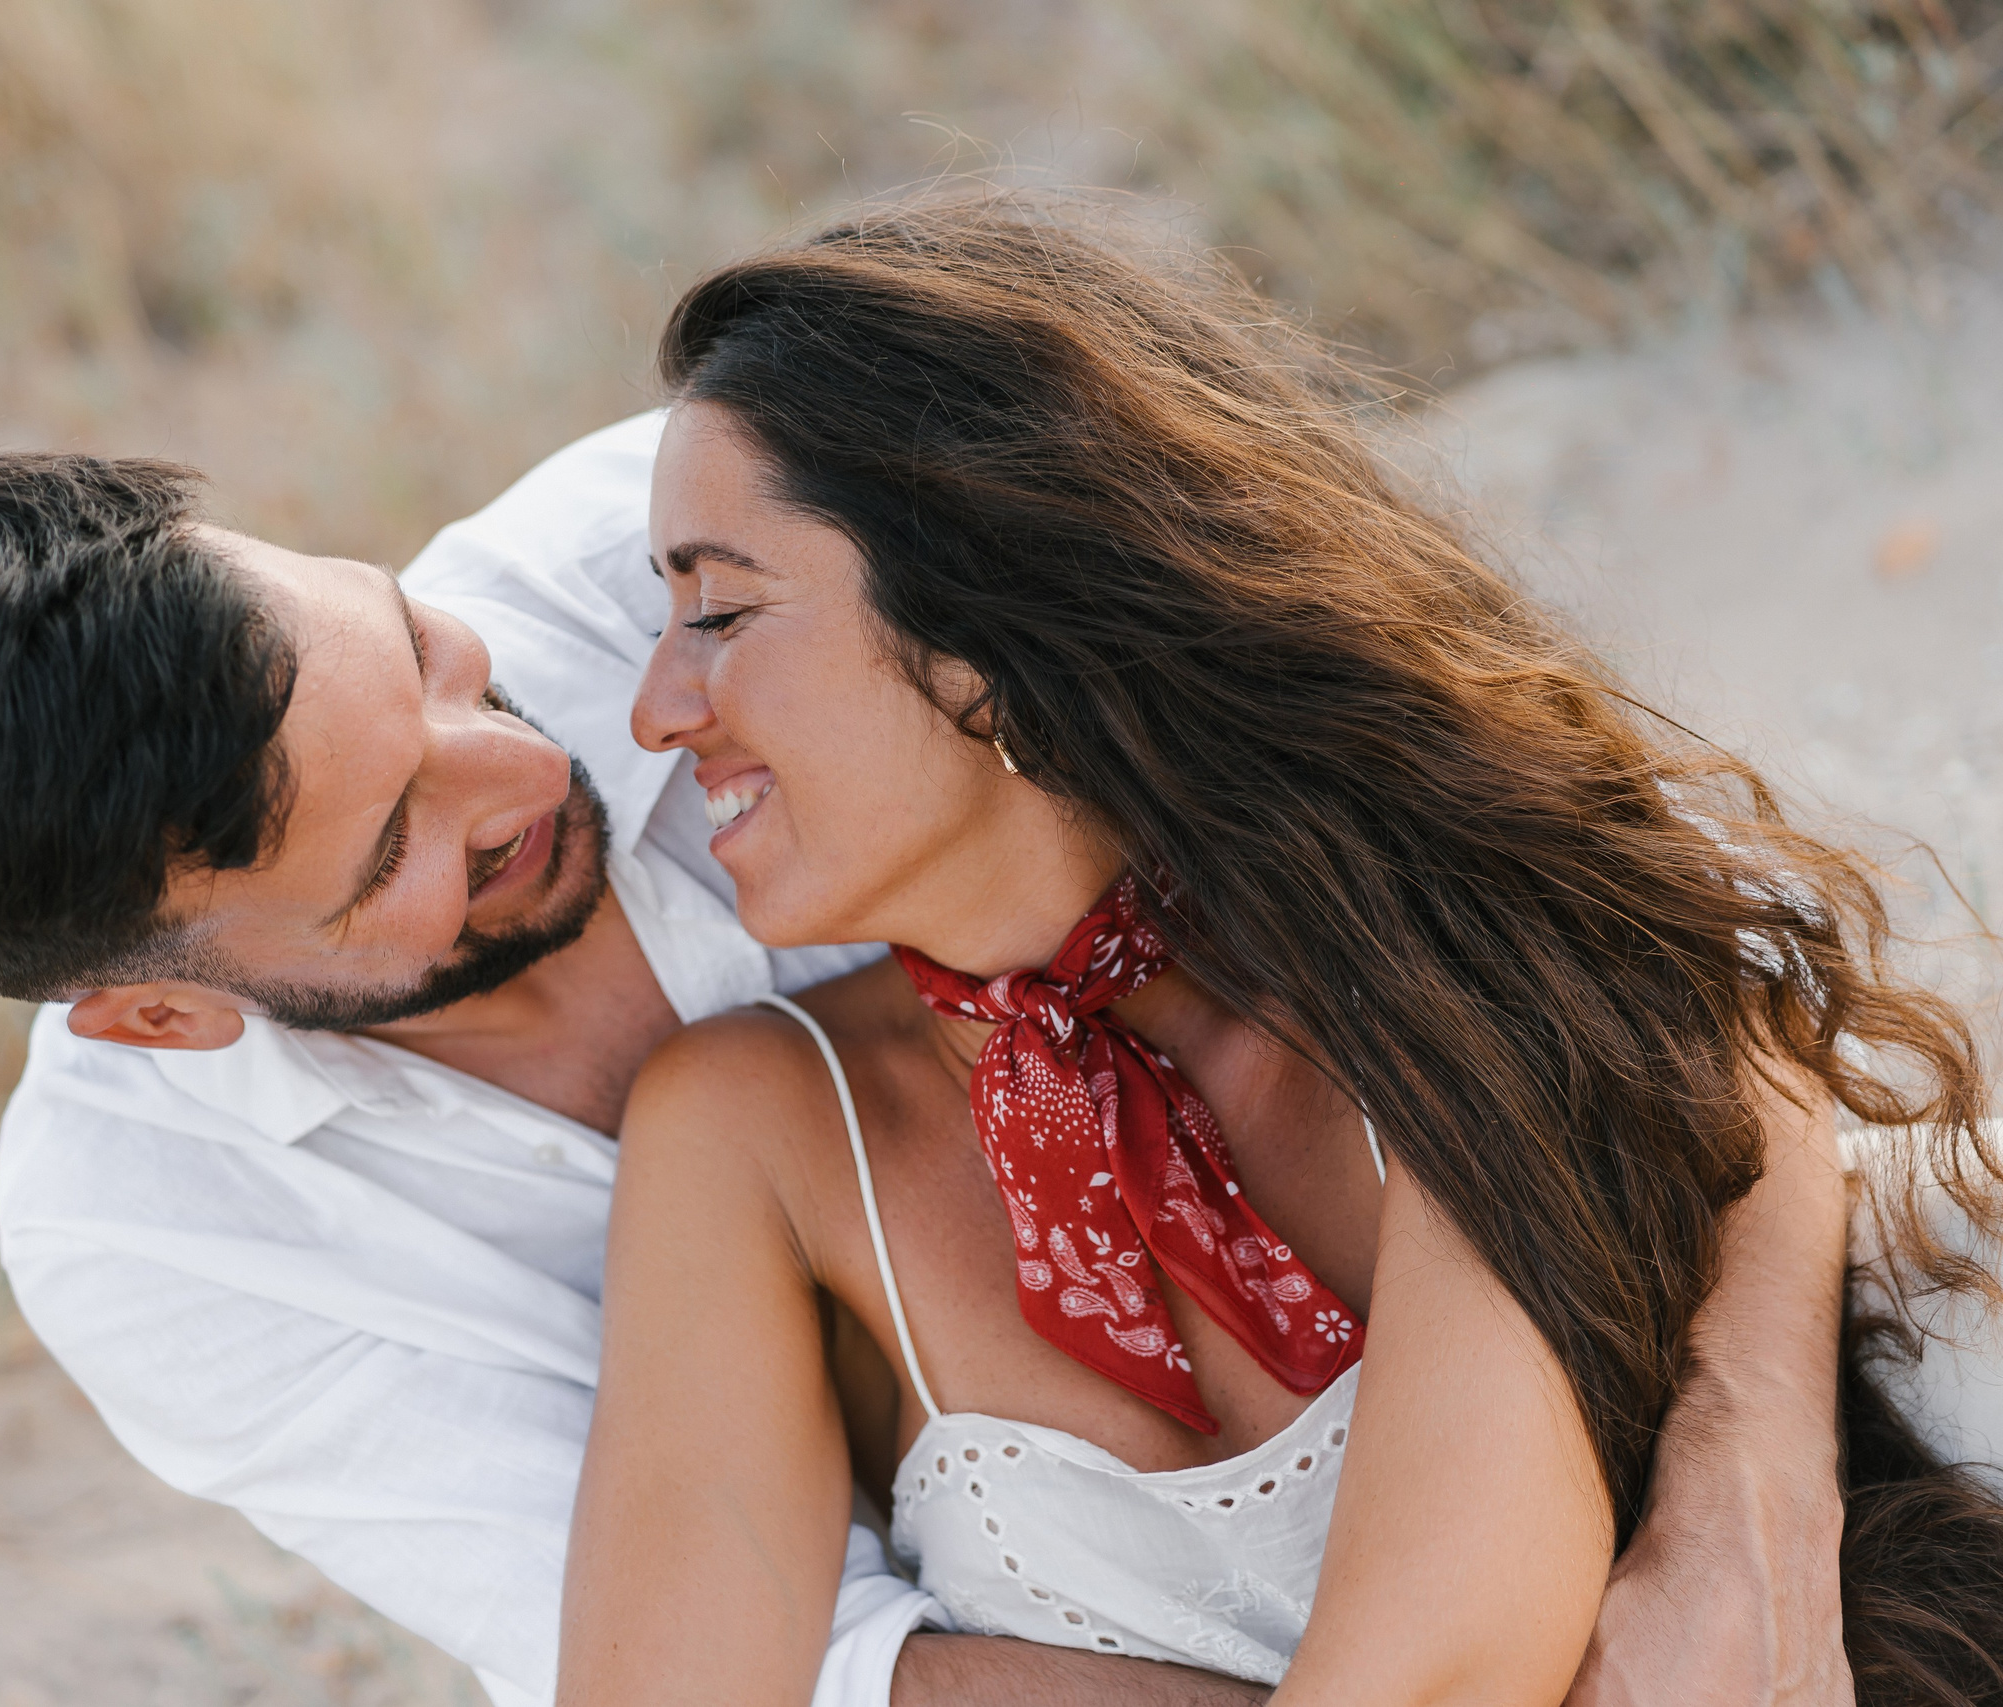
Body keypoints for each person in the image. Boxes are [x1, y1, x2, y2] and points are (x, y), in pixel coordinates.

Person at [0, 260, 1979, 1706]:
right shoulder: (183, 1234)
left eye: (416, 645)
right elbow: (772, 1672)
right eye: (400, 844)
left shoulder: (698, 523)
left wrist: (1738, 1492)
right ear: (165, 1006)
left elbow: (1642, 942)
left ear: (1006, 648)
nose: (585, 733)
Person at [556, 194, 2003, 1707]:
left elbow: (1450, 1661)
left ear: (979, 628)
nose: (660, 711)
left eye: (719, 609)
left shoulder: (1422, 956)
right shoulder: (754, 1127)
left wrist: (1743, 1467)